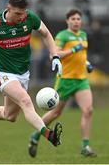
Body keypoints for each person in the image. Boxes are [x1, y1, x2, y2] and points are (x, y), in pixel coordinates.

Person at [0, 0, 63, 150]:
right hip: (3, 74)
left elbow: (46, 34)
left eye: (23, 13)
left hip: (23, 74)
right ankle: (49, 135)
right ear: (8, 9)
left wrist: (55, 55)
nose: (21, 17)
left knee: (10, 116)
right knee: (26, 101)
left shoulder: (30, 18)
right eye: (17, 13)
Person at [28, 9, 97, 158]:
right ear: (67, 21)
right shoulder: (62, 35)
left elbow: (81, 55)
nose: (76, 21)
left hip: (81, 79)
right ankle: (36, 134)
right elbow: (56, 53)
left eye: (79, 19)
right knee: (55, 112)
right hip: (65, 79)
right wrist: (73, 49)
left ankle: (85, 147)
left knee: (88, 110)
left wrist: (87, 63)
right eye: (73, 19)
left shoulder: (83, 35)